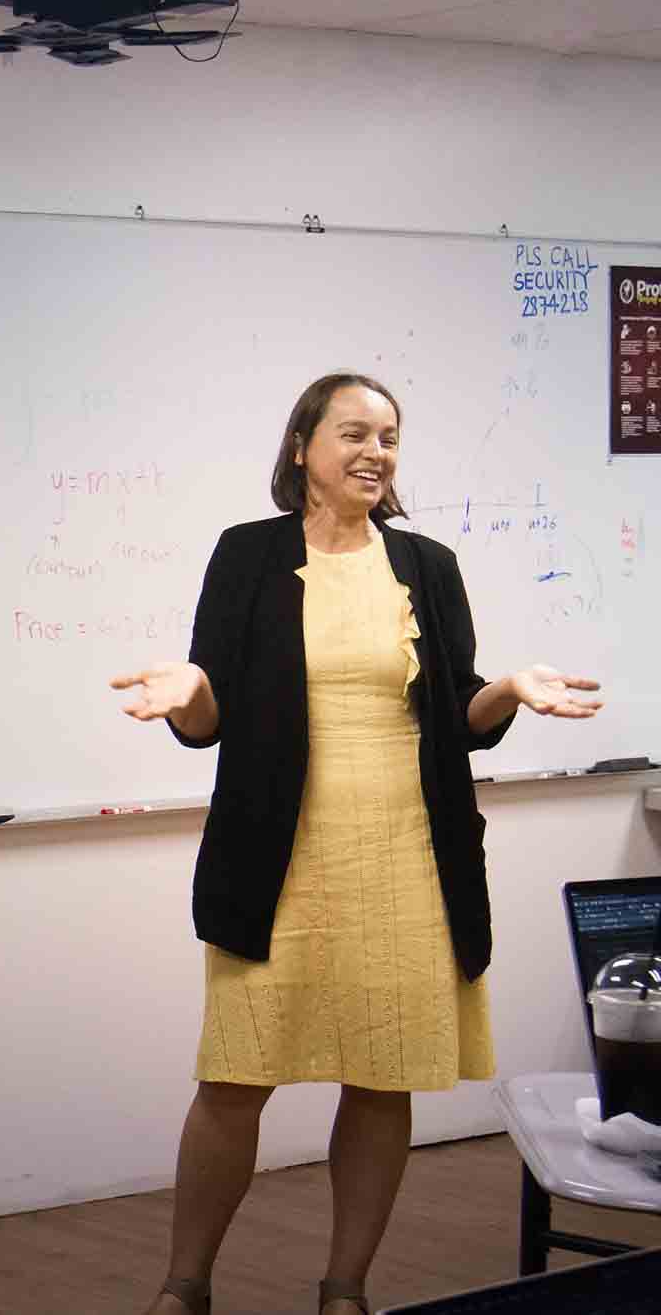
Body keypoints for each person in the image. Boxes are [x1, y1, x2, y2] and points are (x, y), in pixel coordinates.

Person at [110, 373, 601, 1315]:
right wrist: (188, 693)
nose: (375, 452)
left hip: (410, 858)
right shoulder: (247, 555)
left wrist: (509, 688)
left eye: (389, 437)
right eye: (353, 433)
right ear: (302, 447)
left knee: (381, 1079)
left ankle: (344, 1289)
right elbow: (207, 712)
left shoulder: (428, 564)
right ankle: (185, 1284)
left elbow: (461, 710)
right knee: (235, 1076)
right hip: (278, 860)